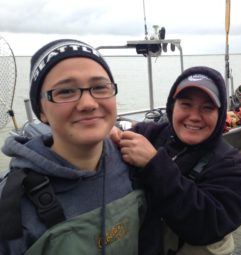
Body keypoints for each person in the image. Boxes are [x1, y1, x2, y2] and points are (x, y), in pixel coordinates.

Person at [0, 39, 145, 254]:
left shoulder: (134, 164)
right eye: (65, 91)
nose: (88, 103)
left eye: (99, 87)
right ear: (41, 111)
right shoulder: (11, 203)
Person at [112, 66, 241, 254]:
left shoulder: (234, 167)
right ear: (172, 107)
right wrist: (106, 131)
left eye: (207, 107)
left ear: (220, 115)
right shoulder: (149, 134)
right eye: (186, 104)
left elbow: (207, 226)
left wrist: (154, 165)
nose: (194, 117)